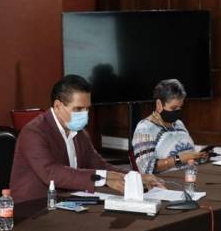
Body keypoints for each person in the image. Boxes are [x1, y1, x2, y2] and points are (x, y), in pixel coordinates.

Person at [10, 75, 162, 203]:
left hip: (67, 203)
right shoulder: (34, 132)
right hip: (33, 209)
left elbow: (98, 165)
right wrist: (104, 178)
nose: (84, 114)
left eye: (87, 108)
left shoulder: (80, 132)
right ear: (57, 106)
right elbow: (51, 173)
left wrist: (135, 177)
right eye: (78, 109)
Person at [131, 79, 206, 174]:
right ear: (159, 104)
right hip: (165, 180)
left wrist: (198, 156)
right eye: (173, 108)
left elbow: (189, 156)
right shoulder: (145, 128)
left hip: (190, 174)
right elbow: (146, 168)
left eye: (180, 107)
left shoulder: (178, 123)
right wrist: (179, 159)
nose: (177, 111)